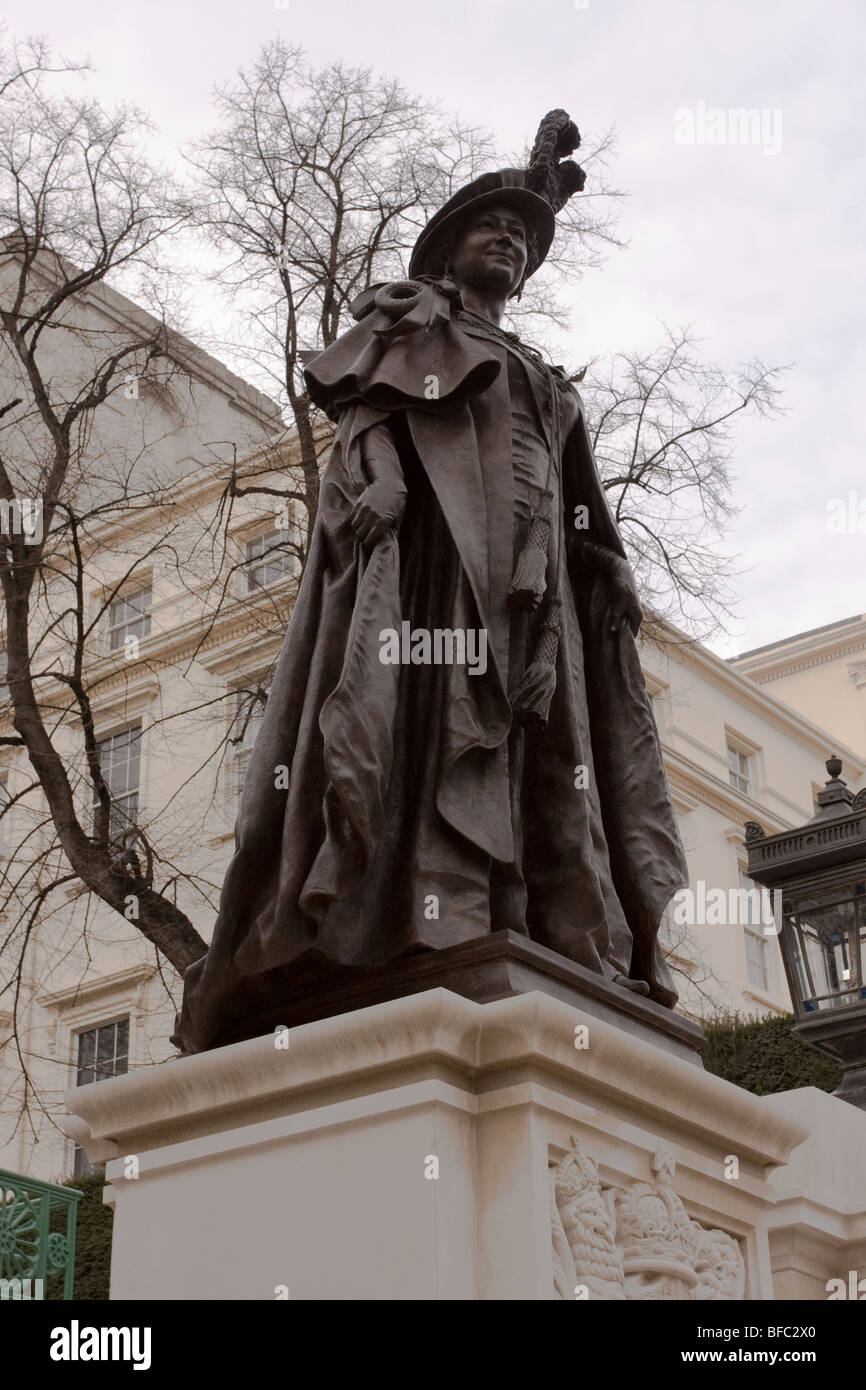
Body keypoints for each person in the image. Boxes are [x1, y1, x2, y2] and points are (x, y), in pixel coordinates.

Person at [173, 110, 688, 1054]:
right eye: (494, 229)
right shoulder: (415, 319)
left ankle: (540, 923)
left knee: (550, 744)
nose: (512, 244)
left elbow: (573, 491)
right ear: (450, 248)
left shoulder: (541, 371)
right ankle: (430, 915)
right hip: (441, 566)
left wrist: (605, 562)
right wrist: (382, 476)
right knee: (438, 722)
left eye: (525, 240)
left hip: (541, 592)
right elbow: (367, 414)